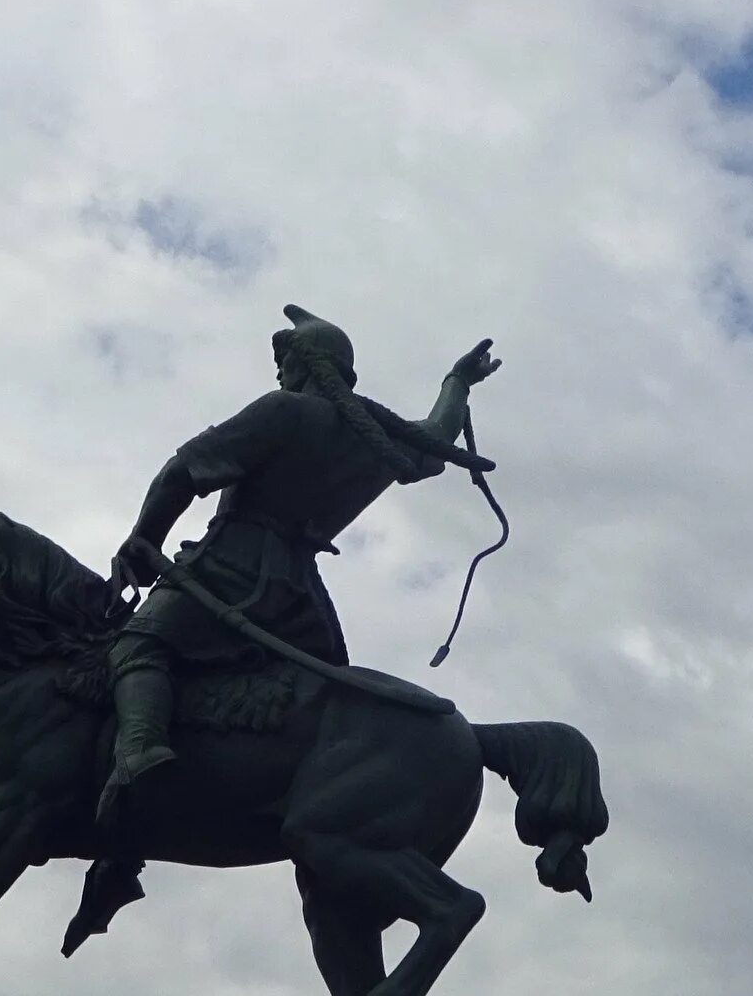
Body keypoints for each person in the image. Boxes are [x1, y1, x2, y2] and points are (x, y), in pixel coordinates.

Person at [98, 304, 501, 823]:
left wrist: (143, 540)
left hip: (231, 576)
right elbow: (436, 437)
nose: (279, 373)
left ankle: (139, 754)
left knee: (138, 644)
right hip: (301, 605)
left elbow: (181, 473)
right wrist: (457, 382)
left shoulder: (284, 411)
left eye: (285, 361)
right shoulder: (371, 436)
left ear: (308, 364)